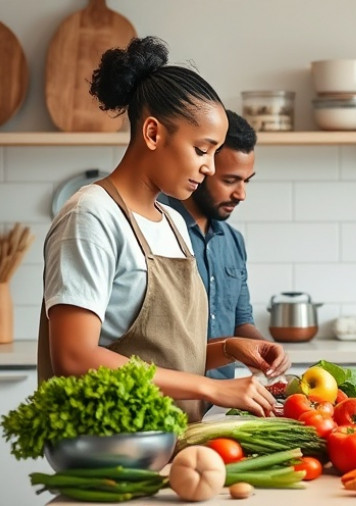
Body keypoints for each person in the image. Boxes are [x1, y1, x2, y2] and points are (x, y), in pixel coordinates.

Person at [37, 36, 289, 422]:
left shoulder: (171, 221)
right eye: (202, 150)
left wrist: (228, 348)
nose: (208, 168)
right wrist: (211, 386)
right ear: (153, 133)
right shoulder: (90, 216)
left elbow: (165, 359)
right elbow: (75, 356)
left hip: (171, 442)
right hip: (112, 452)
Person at [159, 110, 266, 380]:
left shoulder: (233, 241)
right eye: (230, 181)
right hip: (169, 401)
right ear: (202, 168)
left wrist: (266, 350)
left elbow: (241, 322)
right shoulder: (155, 229)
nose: (241, 194)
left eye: (246, 181)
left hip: (220, 406)